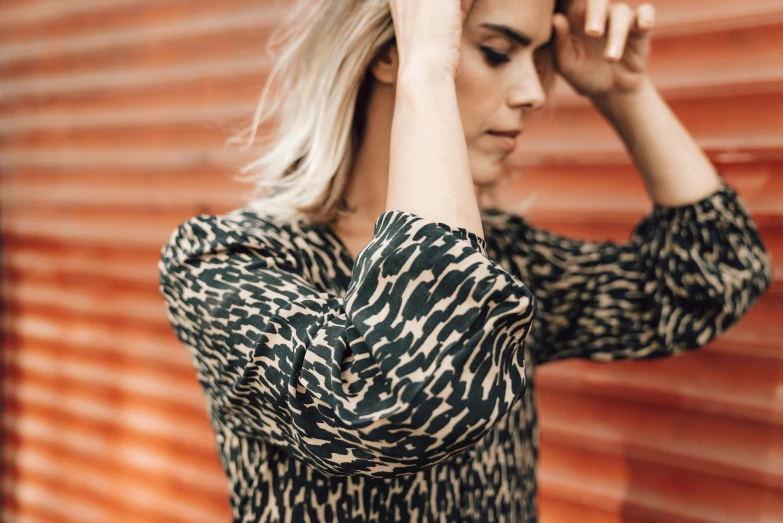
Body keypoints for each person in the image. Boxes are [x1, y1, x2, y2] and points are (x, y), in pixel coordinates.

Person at [157, 0, 773, 521]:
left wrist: (625, 91)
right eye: (499, 53)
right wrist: (427, 66)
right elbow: (399, 401)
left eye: (540, 58)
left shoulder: (503, 258)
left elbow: (713, 279)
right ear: (387, 50)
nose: (533, 93)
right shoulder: (227, 261)